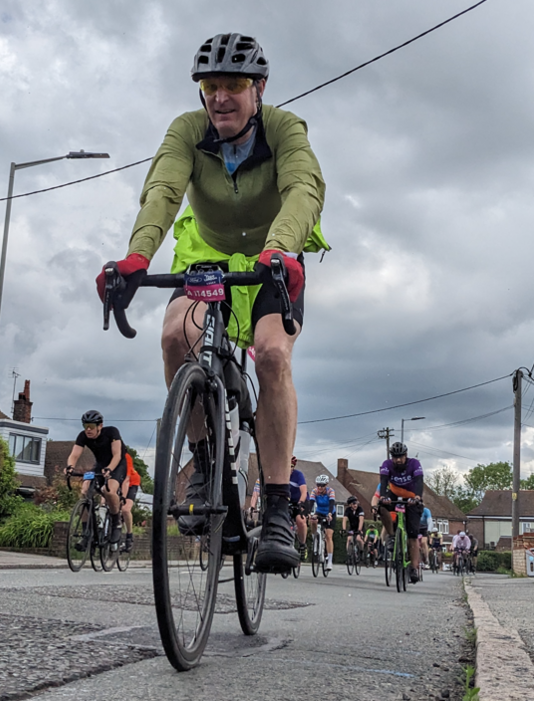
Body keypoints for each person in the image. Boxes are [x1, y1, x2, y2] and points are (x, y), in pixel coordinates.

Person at [98, 33, 327, 574]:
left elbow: (303, 189)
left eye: (234, 86)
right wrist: (135, 257)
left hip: (273, 250)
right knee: (175, 337)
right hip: (207, 249)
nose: (220, 97)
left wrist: (281, 248)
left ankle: (274, 508)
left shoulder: (284, 129)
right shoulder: (187, 130)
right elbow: (162, 191)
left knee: (272, 355)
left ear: (259, 89)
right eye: (211, 87)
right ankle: (204, 464)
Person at [65, 410, 127, 547]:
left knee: (109, 491)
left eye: (91, 426)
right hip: (99, 466)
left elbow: (117, 455)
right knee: (85, 491)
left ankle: (116, 522)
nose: (88, 429)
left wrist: (110, 469)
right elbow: (74, 455)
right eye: (85, 425)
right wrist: (70, 467)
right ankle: (87, 533)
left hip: (117, 465)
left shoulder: (112, 432)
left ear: (100, 426)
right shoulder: (83, 436)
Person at [376, 442, 426, 583]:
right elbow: (384, 481)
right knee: (382, 507)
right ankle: (391, 535)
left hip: (411, 496)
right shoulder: (387, 464)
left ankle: (413, 568)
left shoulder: (414, 464)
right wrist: (384, 497)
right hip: (394, 494)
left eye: (401, 457)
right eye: (395, 457)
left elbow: (419, 481)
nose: (398, 460)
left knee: (412, 536)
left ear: (406, 455)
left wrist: (417, 497)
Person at [309, 474, 337, 572]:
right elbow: (311, 502)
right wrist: (308, 513)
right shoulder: (314, 491)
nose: (320, 487)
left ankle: (329, 561)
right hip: (319, 511)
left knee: (329, 536)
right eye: (318, 485)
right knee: (313, 520)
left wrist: (329, 514)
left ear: (326, 485)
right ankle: (315, 538)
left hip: (330, 513)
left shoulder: (330, 491)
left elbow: (332, 503)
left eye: (322, 485)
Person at [119, 456, 142, 552]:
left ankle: (129, 535)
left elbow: (127, 480)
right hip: (117, 482)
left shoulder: (126, 457)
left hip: (131, 482)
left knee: (125, 509)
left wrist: (123, 498)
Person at [289, 457, 309, 556]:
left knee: (300, 520)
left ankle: (302, 544)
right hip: (287, 502)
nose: (289, 469)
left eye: (291, 467)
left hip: (301, 500)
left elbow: (304, 491)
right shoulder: (280, 475)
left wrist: (300, 502)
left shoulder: (298, 475)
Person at [342, 495, 365, 563]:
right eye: (353, 504)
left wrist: (359, 530)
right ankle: (349, 555)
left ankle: (361, 552)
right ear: (350, 505)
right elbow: (344, 519)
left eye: (356, 503)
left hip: (360, 527)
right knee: (349, 539)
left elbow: (361, 520)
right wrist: (343, 529)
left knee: (358, 539)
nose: (355, 505)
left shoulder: (360, 509)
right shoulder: (348, 510)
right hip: (352, 527)